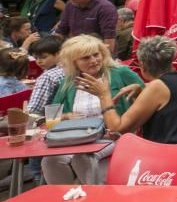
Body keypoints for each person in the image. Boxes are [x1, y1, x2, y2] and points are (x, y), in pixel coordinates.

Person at [42, 35, 145, 185]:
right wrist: (66, 116)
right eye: (85, 58)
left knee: (83, 157)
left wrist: (138, 91)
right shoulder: (68, 82)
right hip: (77, 138)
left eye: (96, 54)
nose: (93, 60)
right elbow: (51, 117)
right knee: (50, 160)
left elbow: (149, 97)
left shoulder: (120, 72)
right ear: (74, 63)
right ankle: (66, 200)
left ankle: (98, 201)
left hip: (114, 136)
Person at [74, 36, 177, 144]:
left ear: (142, 65)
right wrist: (141, 92)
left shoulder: (158, 87)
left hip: (172, 156)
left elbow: (117, 129)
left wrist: (104, 95)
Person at [54, 0, 118, 49]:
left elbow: (109, 36)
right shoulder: (70, 5)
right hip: (74, 49)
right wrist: (53, 49)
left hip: (96, 50)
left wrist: (107, 57)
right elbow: (61, 30)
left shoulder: (105, 7)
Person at [26, 35, 66, 114]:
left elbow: (33, 109)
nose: (39, 61)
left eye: (43, 57)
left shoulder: (48, 76)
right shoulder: (71, 69)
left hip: (50, 118)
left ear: (59, 54)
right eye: (36, 58)